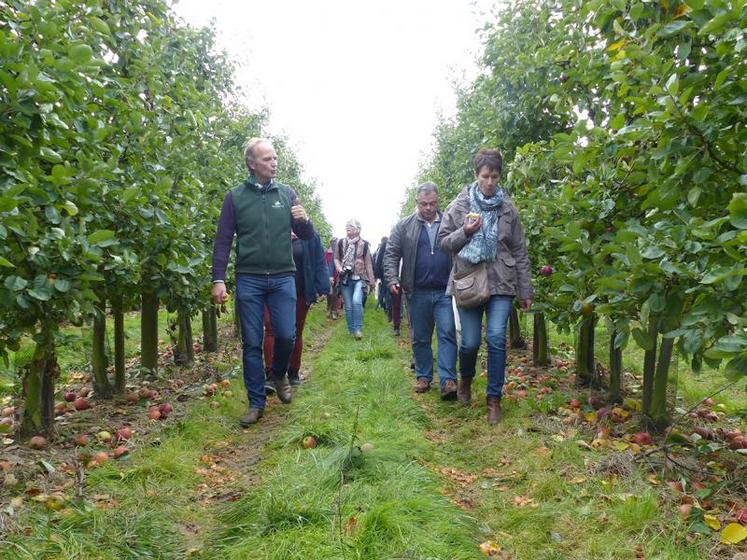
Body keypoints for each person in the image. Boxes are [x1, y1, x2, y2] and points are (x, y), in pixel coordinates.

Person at [212, 137, 313, 427]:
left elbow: (305, 237)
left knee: (285, 335)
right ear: (252, 164)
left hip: (283, 276)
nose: (274, 162)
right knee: (252, 343)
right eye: (267, 159)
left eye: (275, 158)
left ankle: (279, 373)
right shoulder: (235, 197)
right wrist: (218, 279)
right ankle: (256, 402)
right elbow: (222, 241)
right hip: (250, 279)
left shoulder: (287, 194)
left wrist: (305, 221)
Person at [438, 149, 533, 425]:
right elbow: (443, 243)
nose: (490, 182)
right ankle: (465, 379)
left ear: (500, 176)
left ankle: (494, 399)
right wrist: (465, 232)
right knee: (469, 343)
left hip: (502, 281)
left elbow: (519, 250)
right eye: (485, 176)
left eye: (494, 176)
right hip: (468, 281)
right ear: (475, 176)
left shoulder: (507, 208)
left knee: (495, 338)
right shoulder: (459, 207)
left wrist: (525, 290)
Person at [384, 183, 457, 399]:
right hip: (417, 291)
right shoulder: (404, 226)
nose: (428, 208)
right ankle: (424, 376)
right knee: (421, 337)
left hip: (445, 290)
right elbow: (391, 254)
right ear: (417, 203)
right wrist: (392, 278)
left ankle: (448, 380)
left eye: (432, 203)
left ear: (438, 201)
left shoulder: (448, 223)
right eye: (424, 204)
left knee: (447, 334)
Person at [263, 230, 330, 392]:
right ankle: (272, 375)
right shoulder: (270, 228)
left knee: (296, 331)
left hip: (300, 290)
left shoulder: (308, 233)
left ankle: (293, 371)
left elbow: (319, 260)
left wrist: (323, 287)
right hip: (271, 289)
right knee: (271, 328)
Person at [334, 219, 375, 340]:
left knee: (356, 301)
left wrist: (371, 280)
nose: (348, 227)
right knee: (348, 306)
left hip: (359, 278)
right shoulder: (341, 243)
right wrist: (339, 267)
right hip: (345, 278)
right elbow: (336, 258)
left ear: (358, 229)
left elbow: (368, 263)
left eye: (351, 226)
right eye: (347, 225)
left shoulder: (364, 244)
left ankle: (358, 330)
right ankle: (351, 331)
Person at [325, 237, 341, 320]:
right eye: (333, 242)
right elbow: (329, 265)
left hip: (338, 275)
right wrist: (329, 276)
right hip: (329, 275)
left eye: (336, 242)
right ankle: (328, 308)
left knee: (336, 294)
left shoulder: (340, 251)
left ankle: (334, 311)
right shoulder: (327, 253)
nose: (335, 244)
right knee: (329, 293)